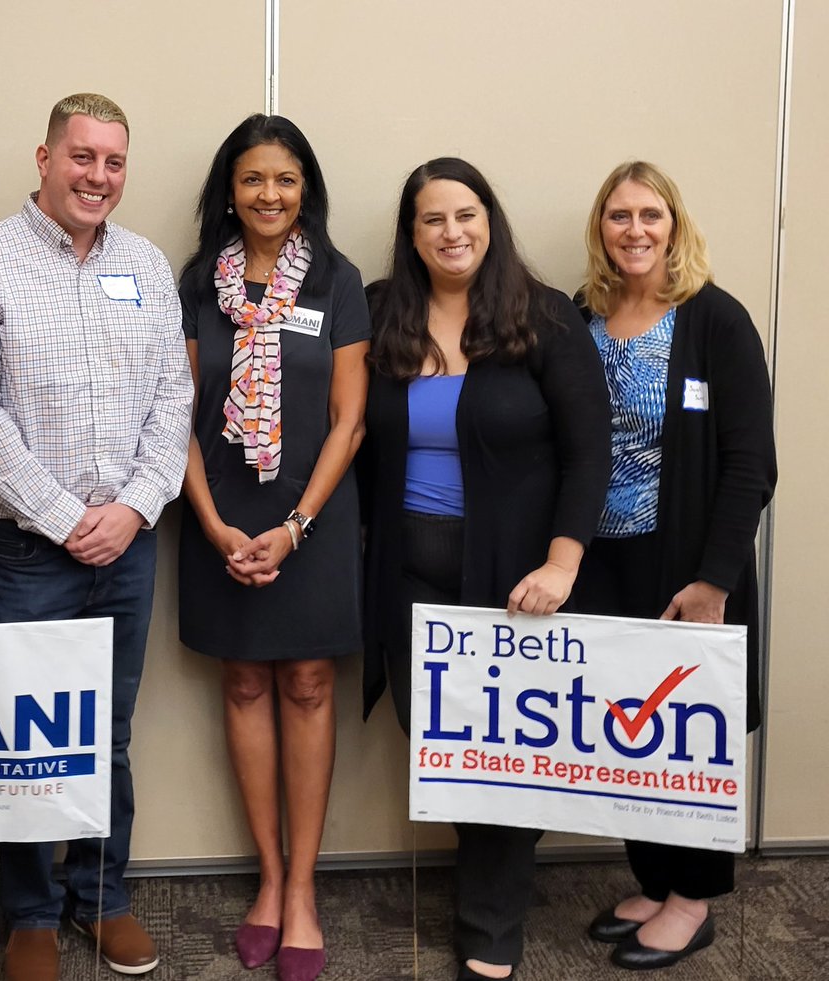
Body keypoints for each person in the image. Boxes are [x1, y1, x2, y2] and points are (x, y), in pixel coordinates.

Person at [0, 93, 191, 981]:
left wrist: (135, 506)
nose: (99, 177)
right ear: (42, 157)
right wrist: (63, 517)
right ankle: (31, 913)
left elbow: (173, 400)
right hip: (24, 548)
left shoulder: (148, 267)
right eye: (82, 157)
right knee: (25, 734)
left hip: (129, 542)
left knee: (106, 733)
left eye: (115, 162)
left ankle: (102, 898)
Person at [359, 158, 611, 981]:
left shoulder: (544, 320)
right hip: (408, 580)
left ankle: (491, 926)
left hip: (515, 584)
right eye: (433, 220)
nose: (452, 232)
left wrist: (564, 564)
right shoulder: (381, 312)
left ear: (489, 219)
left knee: (501, 749)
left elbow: (589, 453)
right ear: (412, 233)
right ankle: (490, 883)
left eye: (465, 214)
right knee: (439, 743)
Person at [177, 115, 369, 981]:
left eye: (286, 179)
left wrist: (295, 527)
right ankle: (266, 876)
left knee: (308, 680)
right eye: (253, 178)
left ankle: (303, 890)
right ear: (230, 188)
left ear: (306, 189)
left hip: (311, 520)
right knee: (246, 677)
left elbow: (350, 419)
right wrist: (216, 523)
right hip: (218, 516)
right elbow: (172, 415)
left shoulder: (338, 279)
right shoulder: (195, 283)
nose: (269, 195)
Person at [572, 161, 777, 971]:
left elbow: (751, 463)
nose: (635, 230)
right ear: (601, 227)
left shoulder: (715, 321)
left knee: (692, 732)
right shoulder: (582, 318)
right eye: (618, 215)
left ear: (675, 223)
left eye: (650, 215)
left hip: (691, 569)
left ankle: (693, 901)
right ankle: (654, 881)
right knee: (629, 729)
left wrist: (716, 579)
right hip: (605, 561)